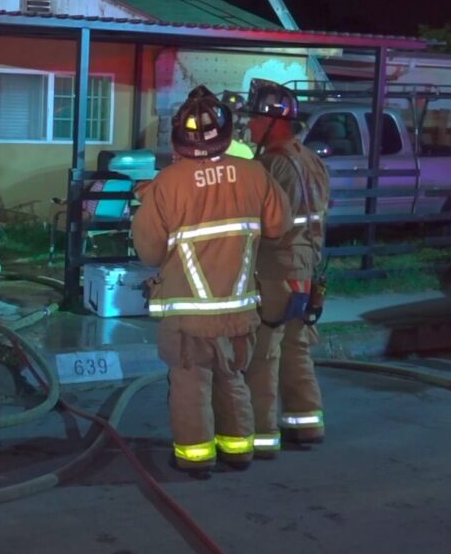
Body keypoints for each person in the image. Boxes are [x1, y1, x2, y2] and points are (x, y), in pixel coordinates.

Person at [133, 85, 290, 478]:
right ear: (227, 132)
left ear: (179, 137)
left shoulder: (167, 183)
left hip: (189, 314)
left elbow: (149, 252)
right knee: (232, 378)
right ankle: (238, 450)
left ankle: (196, 457)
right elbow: (279, 226)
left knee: (191, 383)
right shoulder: (255, 174)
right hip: (240, 311)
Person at [242, 78, 331, 457]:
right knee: (297, 346)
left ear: (273, 122)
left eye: (254, 119)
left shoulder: (269, 165)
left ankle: (260, 435)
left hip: (274, 270)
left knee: (263, 353)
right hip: (306, 270)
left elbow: (257, 224)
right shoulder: (312, 160)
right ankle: (307, 422)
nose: (249, 125)